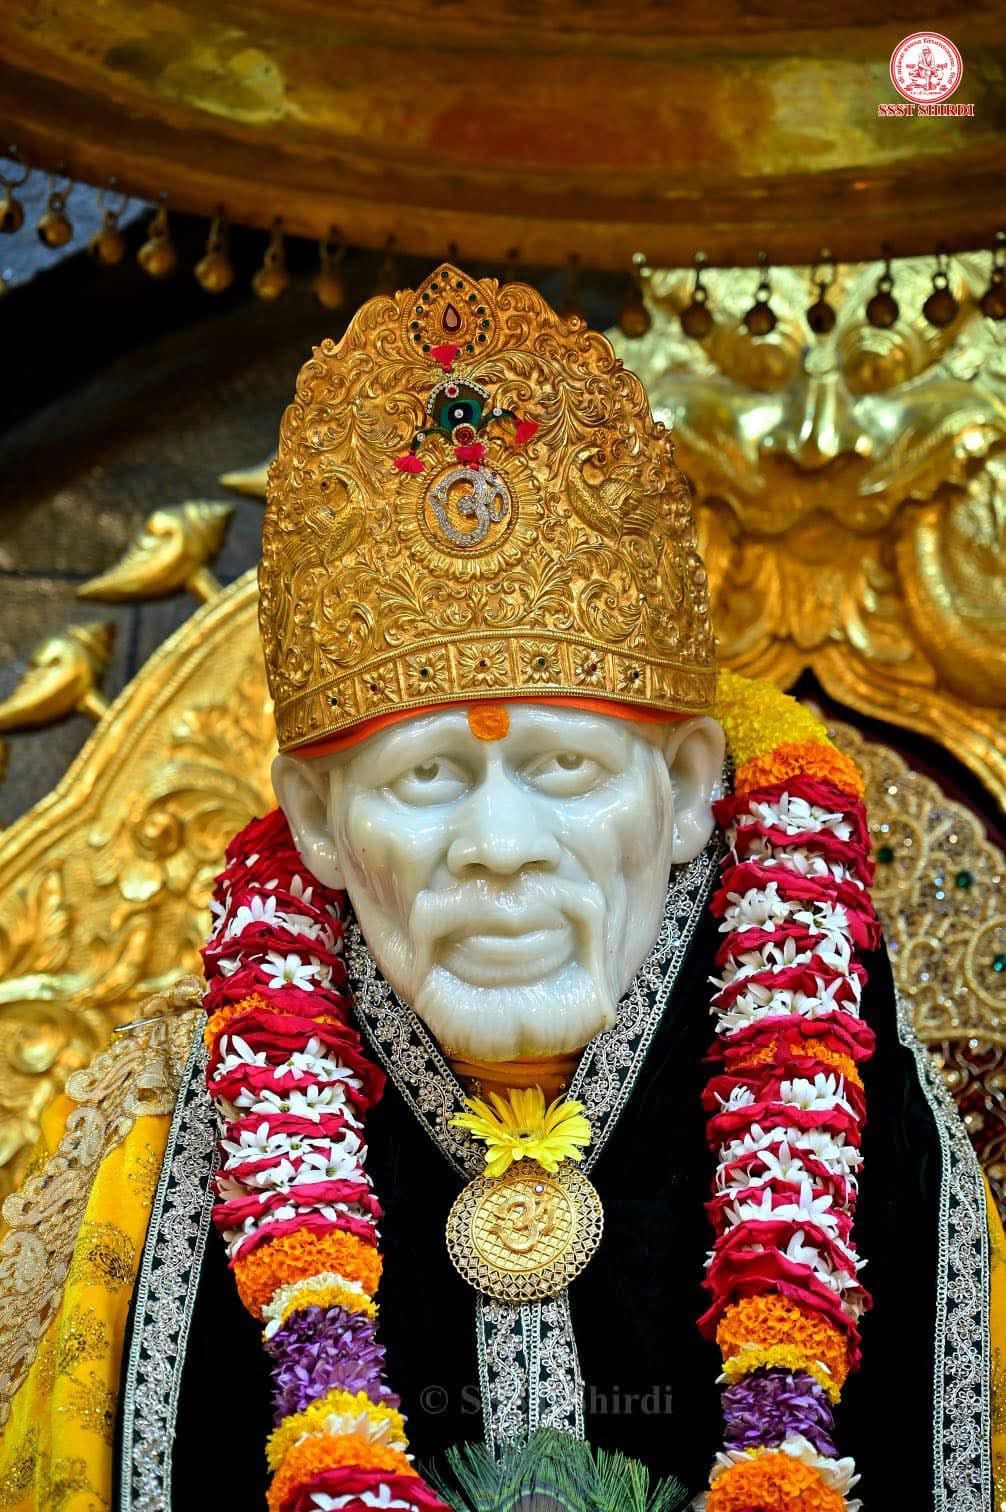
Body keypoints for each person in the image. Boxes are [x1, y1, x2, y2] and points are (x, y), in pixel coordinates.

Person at [1, 264, 1002, 1512]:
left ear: (690, 788)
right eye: (425, 779)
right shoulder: (178, 1131)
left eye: (567, 766)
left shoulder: (863, 1120)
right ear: (314, 818)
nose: (502, 844)